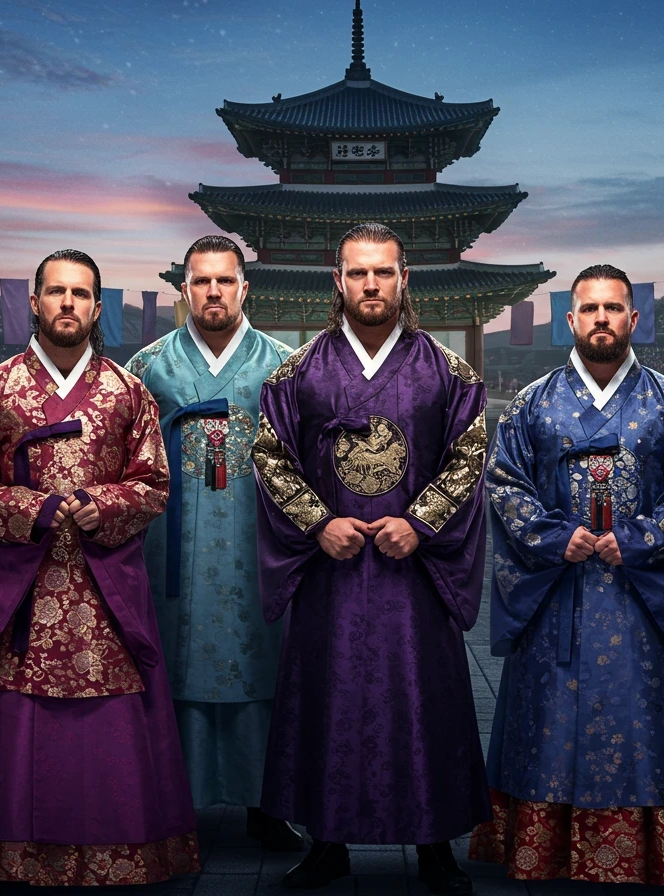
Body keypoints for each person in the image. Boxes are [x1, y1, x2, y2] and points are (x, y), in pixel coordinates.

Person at [0, 249, 199, 886]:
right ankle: (9, 851)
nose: (68, 304)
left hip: (103, 584)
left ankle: (119, 850)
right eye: (55, 292)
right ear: (36, 302)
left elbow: (153, 482)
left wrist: (101, 504)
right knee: (14, 720)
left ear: (97, 307)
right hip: (18, 585)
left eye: (80, 294)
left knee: (110, 722)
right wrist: (33, 509)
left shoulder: (127, 391)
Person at [469, 264, 664, 885]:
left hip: (640, 595)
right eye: (590, 309)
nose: (602, 319)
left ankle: (653, 850)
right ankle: (542, 848)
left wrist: (636, 540)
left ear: (633, 319)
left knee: (647, 714)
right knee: (549, 716)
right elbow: (503, 482)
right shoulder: (533, 402)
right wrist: (557, 538)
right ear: (571, 320)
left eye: (614, 309)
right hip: (559, 589)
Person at [252, 223, 489, 893]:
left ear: (404, 278)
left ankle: (436, 842)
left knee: (426, 700)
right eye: (358, 272)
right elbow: (269, 456)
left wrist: (421, 521)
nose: (371, 284)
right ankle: (327, 841)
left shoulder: (448, 370)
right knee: (329, 698)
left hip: (412, 571)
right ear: (338, 280)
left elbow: (470, 455)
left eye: (383, 272)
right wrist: (319, 522)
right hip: (333, 571)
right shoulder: (297, 372)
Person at [126, 235, 301, 850]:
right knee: (175, 658)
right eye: (202, 281)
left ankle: (266, 803)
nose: (214, 292)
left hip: (256, 544)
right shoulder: (149, 366)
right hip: (172, 548)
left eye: (225, 281)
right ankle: (175, 798)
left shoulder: (282, 365)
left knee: (262, 659)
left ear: (244, 288)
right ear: (185, 289)